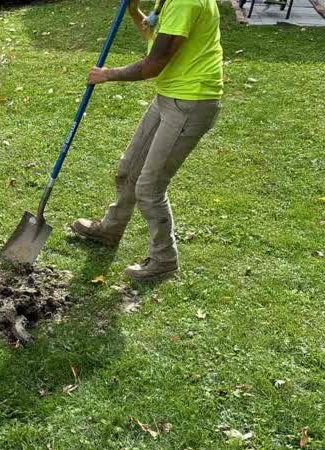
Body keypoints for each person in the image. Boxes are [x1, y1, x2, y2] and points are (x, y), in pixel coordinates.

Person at [71, 0, 223, 282]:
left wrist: (107, 75)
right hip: (169, 95)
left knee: (150, 186)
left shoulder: (185, 2)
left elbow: (154, 63)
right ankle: (110, 229)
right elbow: (156, 41)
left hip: (191, 101)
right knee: (129, 168)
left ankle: (164, 259)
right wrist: (134, 11)